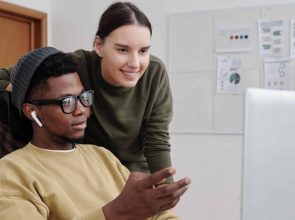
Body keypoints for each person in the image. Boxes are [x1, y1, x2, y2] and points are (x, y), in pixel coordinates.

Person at [0, 47, 191, 219]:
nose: (82, 110)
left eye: (84, 97)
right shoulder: (12, 172)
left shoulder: (102, 156)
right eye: (67, 102)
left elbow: (156, 215)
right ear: (32, 112)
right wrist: (116, 212)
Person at [0, 1, 174, 180]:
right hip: (89, 172)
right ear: (98, 45)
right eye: (122, 50)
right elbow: (11, 75)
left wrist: (166, 190)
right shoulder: (76, 66)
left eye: (143, 51)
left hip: (134, 175)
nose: (135, 63)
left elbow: (157, 140)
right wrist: (17, 88)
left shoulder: (155, 72)